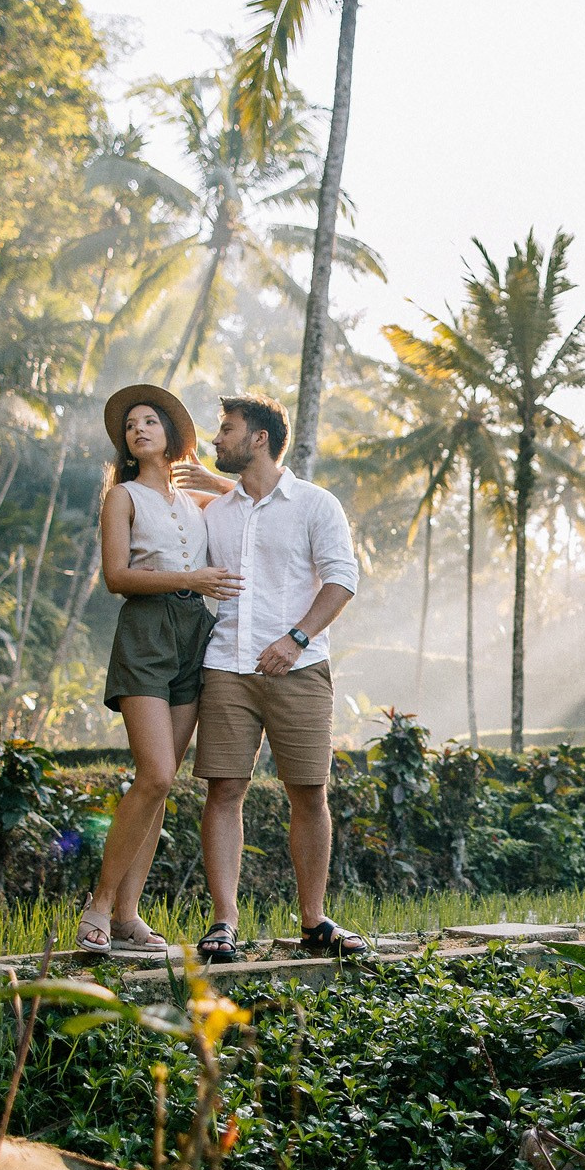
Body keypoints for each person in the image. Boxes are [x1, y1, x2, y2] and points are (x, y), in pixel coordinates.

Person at [192, 394, 366, 962]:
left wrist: (294, 640)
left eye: (227, 429)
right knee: (224, 789)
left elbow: (341, 580)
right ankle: (224, 924)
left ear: (259, 437)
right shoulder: (216, 514)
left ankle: (314, 922)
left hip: (301, 669)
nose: (217, 439)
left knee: (309, 792)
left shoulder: (316, 505)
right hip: (226, 668)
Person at [76, 384, 239, 956]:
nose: (138, 429)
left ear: (172, 434)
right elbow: (117, 577)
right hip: (145, 631)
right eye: (130, 426)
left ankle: (127, 915)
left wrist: (217, 483)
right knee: (156, 774)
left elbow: (258, 503)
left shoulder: (197, 502)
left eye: (150, 421)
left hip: (196, 634)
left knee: (162, 787)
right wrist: (190, 580)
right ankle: (97, 906)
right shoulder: (122, 498)